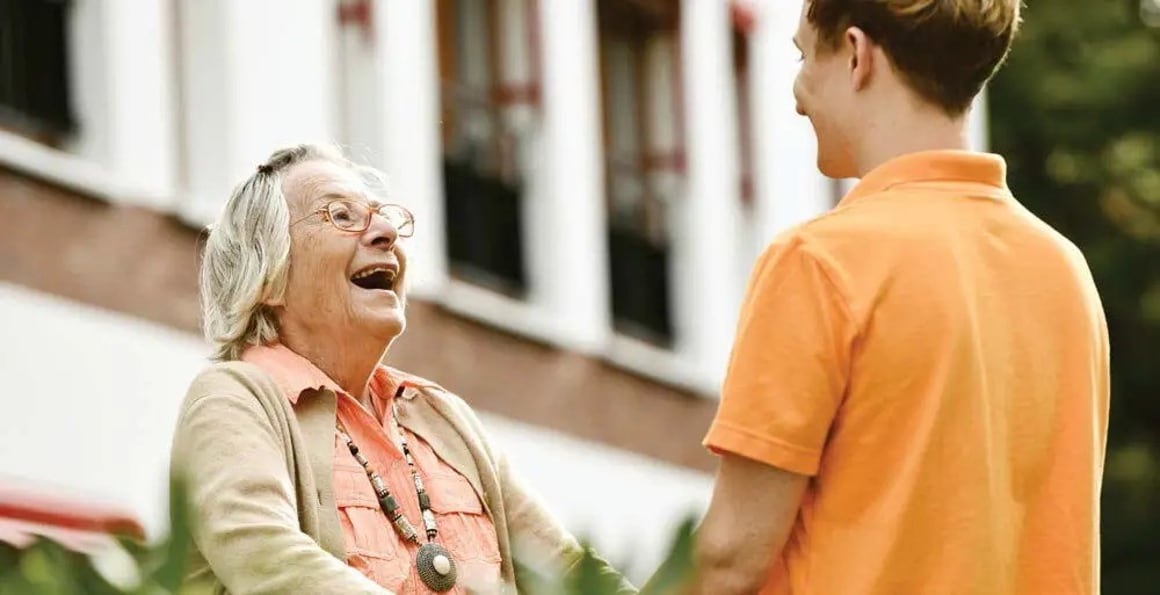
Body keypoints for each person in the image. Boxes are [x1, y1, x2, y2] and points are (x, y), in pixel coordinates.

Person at [675, 1, 1109, 593]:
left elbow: (730, 556)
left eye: (804, 56)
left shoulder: (821, 263)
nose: (798, 94)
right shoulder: (1065, 273)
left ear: (856, 54)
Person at [170, 144, 635, 594]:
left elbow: (570, 574)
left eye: (382, 217)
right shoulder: (233, 399)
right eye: (341, 216)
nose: (385, 233)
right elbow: (267, 559)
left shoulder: (441, 417)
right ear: (267, 273)